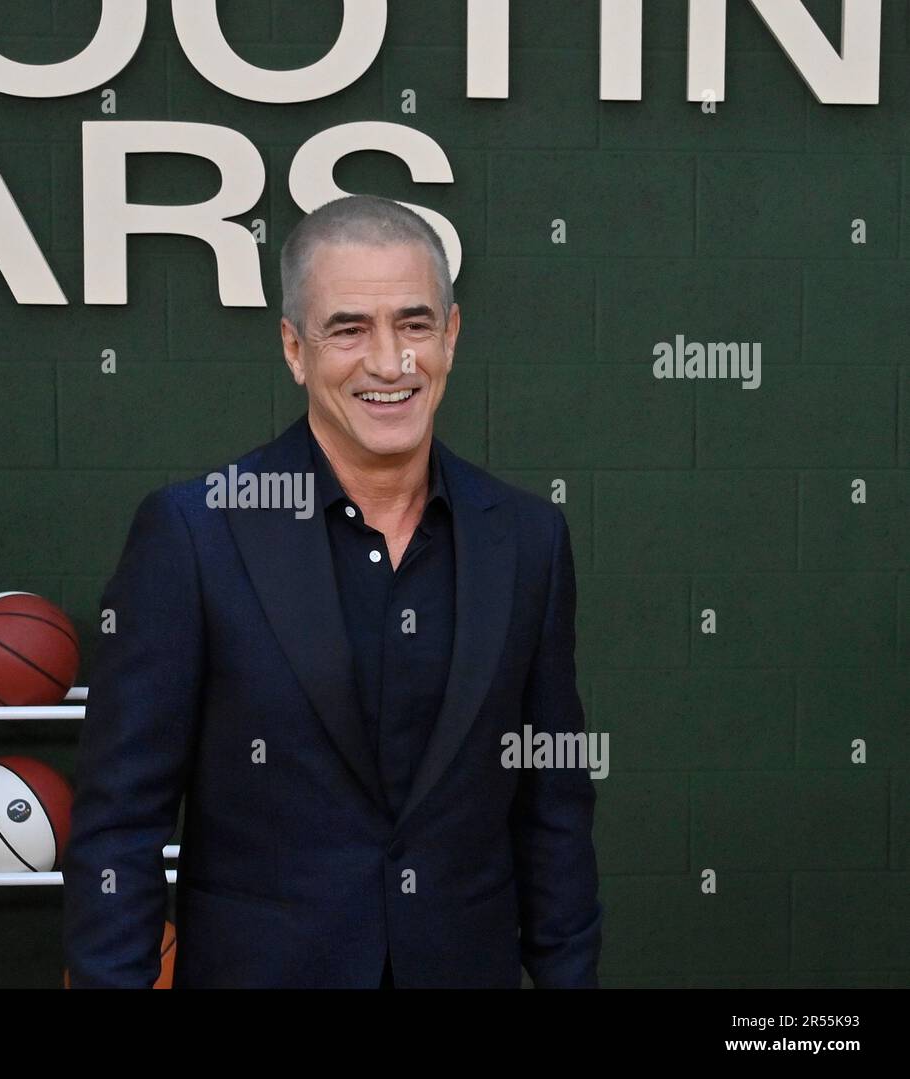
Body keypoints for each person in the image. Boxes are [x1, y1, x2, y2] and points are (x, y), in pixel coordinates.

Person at [62, 194, 602, 988]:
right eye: (349, 328)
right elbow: (120, 823)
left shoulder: (527, 540)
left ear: (450, 337)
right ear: (294, 349)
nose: (390, 362)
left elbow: (552, 811)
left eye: (415, 324)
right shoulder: (194, 532)